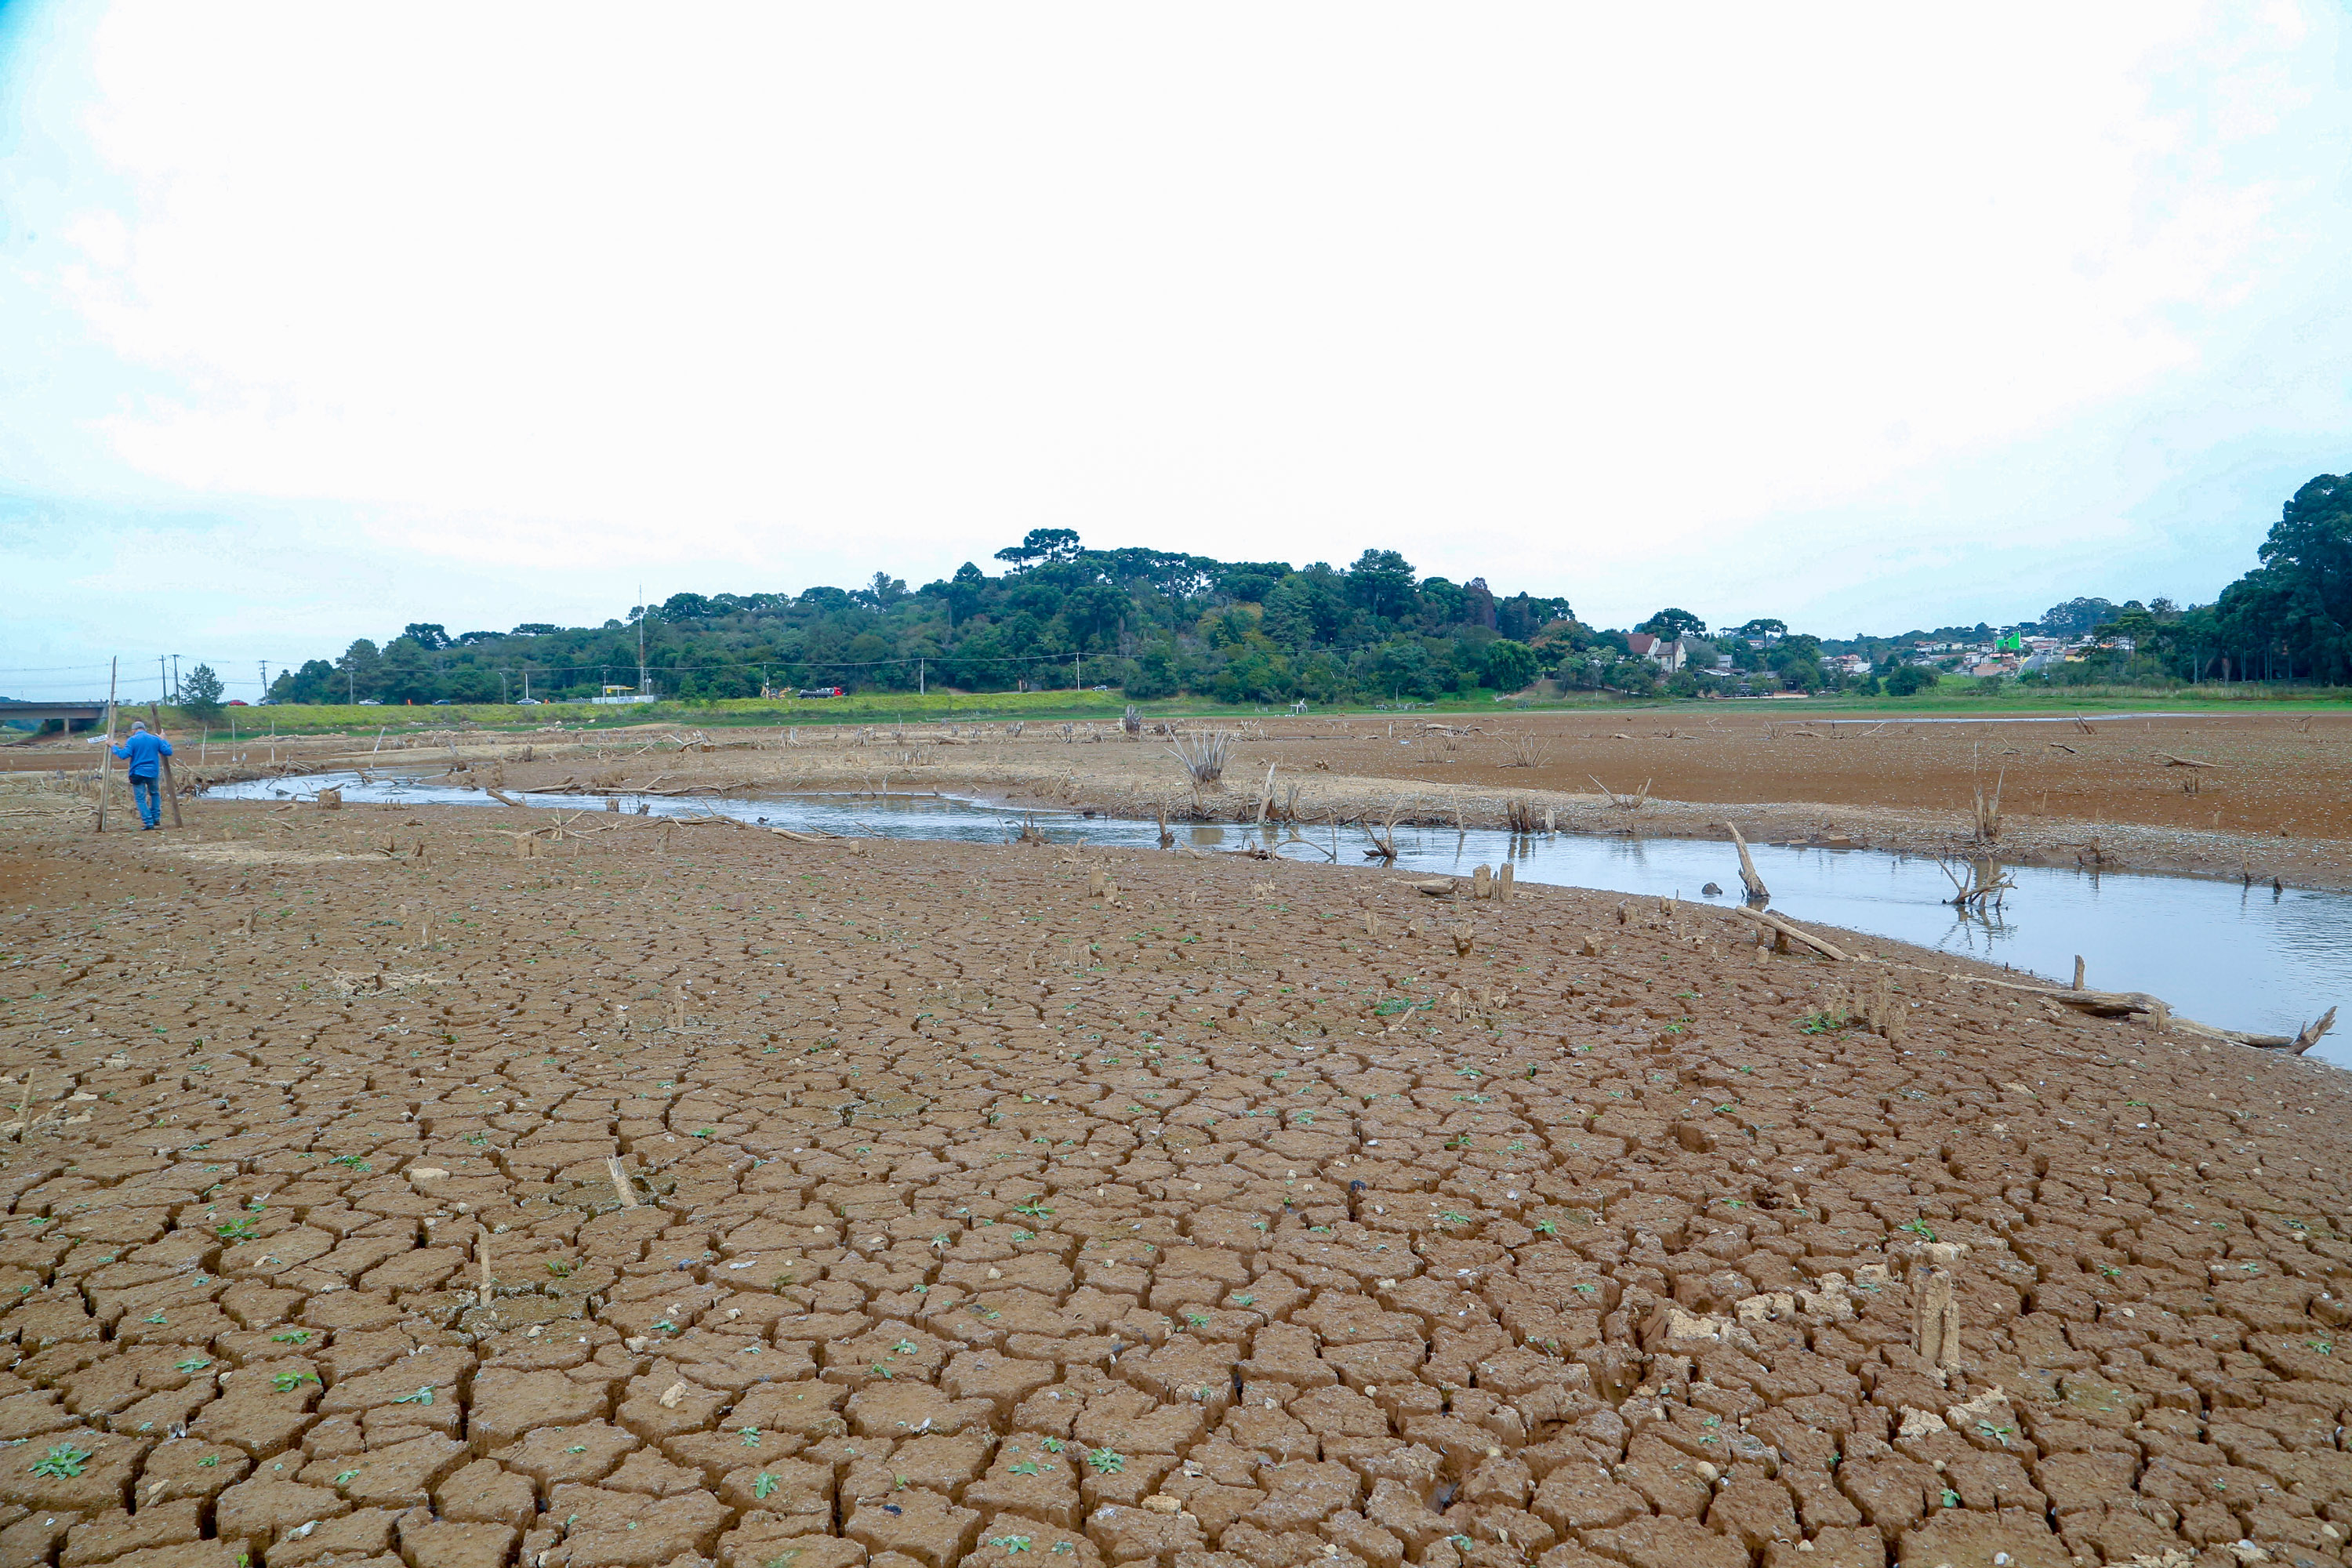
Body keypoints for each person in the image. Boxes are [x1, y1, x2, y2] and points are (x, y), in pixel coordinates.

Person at [111, 720, 174, 829]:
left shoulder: (132, 740)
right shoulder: (155, 739)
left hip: (138, 773)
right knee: (155, 794)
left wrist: (113, 746)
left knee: (140, 799)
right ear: (144, 729)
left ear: (133, 730)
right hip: (153, 772)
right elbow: (168, 752)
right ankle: (156, 818)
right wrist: (163, 740)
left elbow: (123, 755)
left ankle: (148, 822)